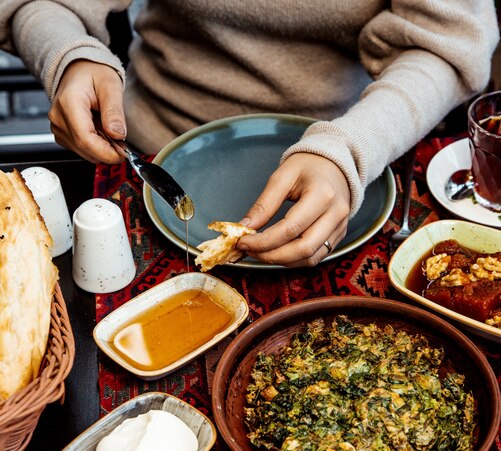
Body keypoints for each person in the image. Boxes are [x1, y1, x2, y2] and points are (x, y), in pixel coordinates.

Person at [0, 1, 498, 267]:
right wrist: (68, 54)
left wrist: (350, 147)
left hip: (347, 169)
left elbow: (449, 44)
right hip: (143, 157)